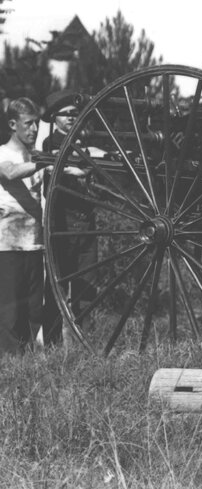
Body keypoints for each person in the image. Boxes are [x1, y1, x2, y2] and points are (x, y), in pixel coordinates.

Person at [40, 90, 95, 346]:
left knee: (85, 286)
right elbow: (57, 171)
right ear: (54, 118)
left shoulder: (83, 143)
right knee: (58, 286)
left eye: (75, 114)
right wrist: (79, 169)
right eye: (67, 115)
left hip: (85, 223)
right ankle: (52, 344)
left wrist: (86, 170)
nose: (72, 118)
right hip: (61, 223)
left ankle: (85, 342)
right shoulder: (51, 143)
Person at [0, 98, 45, 354]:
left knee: (33, 308)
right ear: (12, 124)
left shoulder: (36, 157)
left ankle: (28, 361)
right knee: (9, 310)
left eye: (37, 123)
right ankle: (9, 362)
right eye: (29, 123)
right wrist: (44, 162)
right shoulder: (2, 153)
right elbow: (9, 173)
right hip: (7, 244)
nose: (35, 129)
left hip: (33, 242)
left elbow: (70, 170)